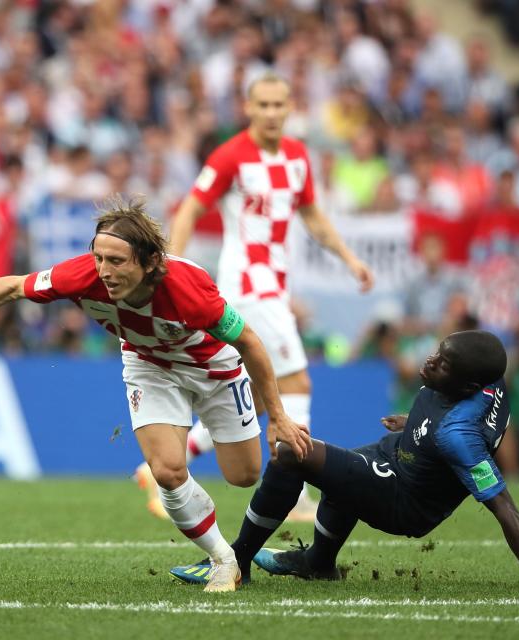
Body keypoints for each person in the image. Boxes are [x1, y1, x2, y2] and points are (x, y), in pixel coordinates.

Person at [0, 196, 312, 593]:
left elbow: (251, 342)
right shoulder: (81, 276)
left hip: (213, 369)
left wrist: (276, 415)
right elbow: (14, 287)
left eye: (116, 261)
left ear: (149, 263)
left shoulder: (187, 291)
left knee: (243, 476)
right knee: (166, 470)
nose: (104, 271)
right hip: (149, 367)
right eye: (98, 258)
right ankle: (223, 558)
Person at [135, 72, 373, 523]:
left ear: (289, 108)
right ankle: (297, 492)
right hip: (249, 285)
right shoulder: (230, 156)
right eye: (261, 105)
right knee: (297, 383)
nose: (270, 113)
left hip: (272, 286)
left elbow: (312, 214)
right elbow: (190, 208)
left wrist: (349, 258)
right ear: (248, 108)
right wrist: (170, 266)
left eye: (278, 105)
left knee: (263, 397)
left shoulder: (299, 157)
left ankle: (167, 460)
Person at [170, 330, 519, 593]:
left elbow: (503, 505)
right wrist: (413, 423)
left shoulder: (458, 436)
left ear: (467, 386)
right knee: (341, 472)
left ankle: (237, 561)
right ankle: (318, 563)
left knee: (292, 454)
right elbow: (460, 415)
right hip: (399, 456)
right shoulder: (488, 380)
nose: (428, 361)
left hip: (403, 497)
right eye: (437, 351)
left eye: (441, 364)